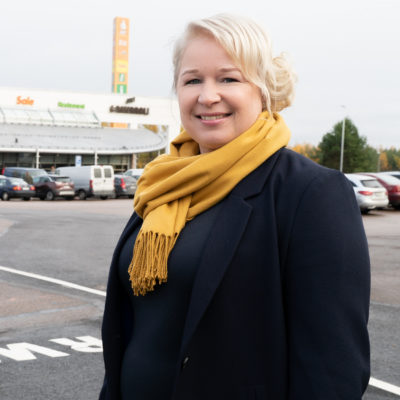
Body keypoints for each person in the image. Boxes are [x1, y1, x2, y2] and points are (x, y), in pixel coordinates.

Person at [99, 14, 370, 400]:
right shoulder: (164, 182)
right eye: (192, 80)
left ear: (263, 90)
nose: (208, 96)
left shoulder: (310, 193)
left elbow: (332, 369)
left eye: (228, 79)